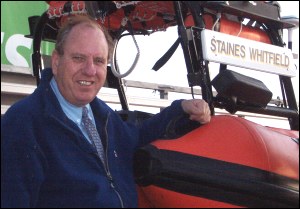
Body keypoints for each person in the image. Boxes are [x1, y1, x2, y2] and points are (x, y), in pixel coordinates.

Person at [1, 15, 211, 208]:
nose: (90, 70)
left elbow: (136, 136)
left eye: (99, 61)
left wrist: (182, 110)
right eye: (79, 58)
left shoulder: (100, 114)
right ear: (56, 62)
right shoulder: (23, 125)